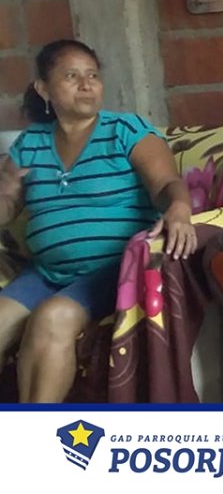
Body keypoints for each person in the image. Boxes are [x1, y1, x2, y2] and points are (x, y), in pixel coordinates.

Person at [0, 39, 197, 402]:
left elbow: (166, 184)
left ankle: (33, 432)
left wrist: (179, 209)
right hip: (47, 272)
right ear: (43, 89)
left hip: (112, 269)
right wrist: (6, 187)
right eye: (71, 76)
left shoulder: (124, 130)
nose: (86, 84)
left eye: (92, 75)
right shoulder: (31, 143)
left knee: (54, 317)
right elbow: (7, 206)